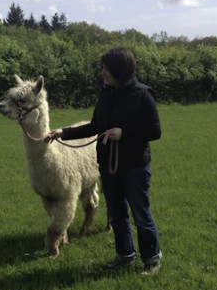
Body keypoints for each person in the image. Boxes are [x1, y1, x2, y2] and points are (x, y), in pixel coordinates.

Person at [45, 47, 163, 275]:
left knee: (140, 214)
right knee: (117, 214)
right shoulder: (106, 93)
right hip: (108, 165)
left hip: (134, 166)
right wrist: (63, 133)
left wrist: (124, 134)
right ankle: (124, 254)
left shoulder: (143, 94)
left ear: (119, 70)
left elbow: (154, 131)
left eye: (106, 69)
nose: (102, 73)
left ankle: (151, 258)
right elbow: (94, 126)